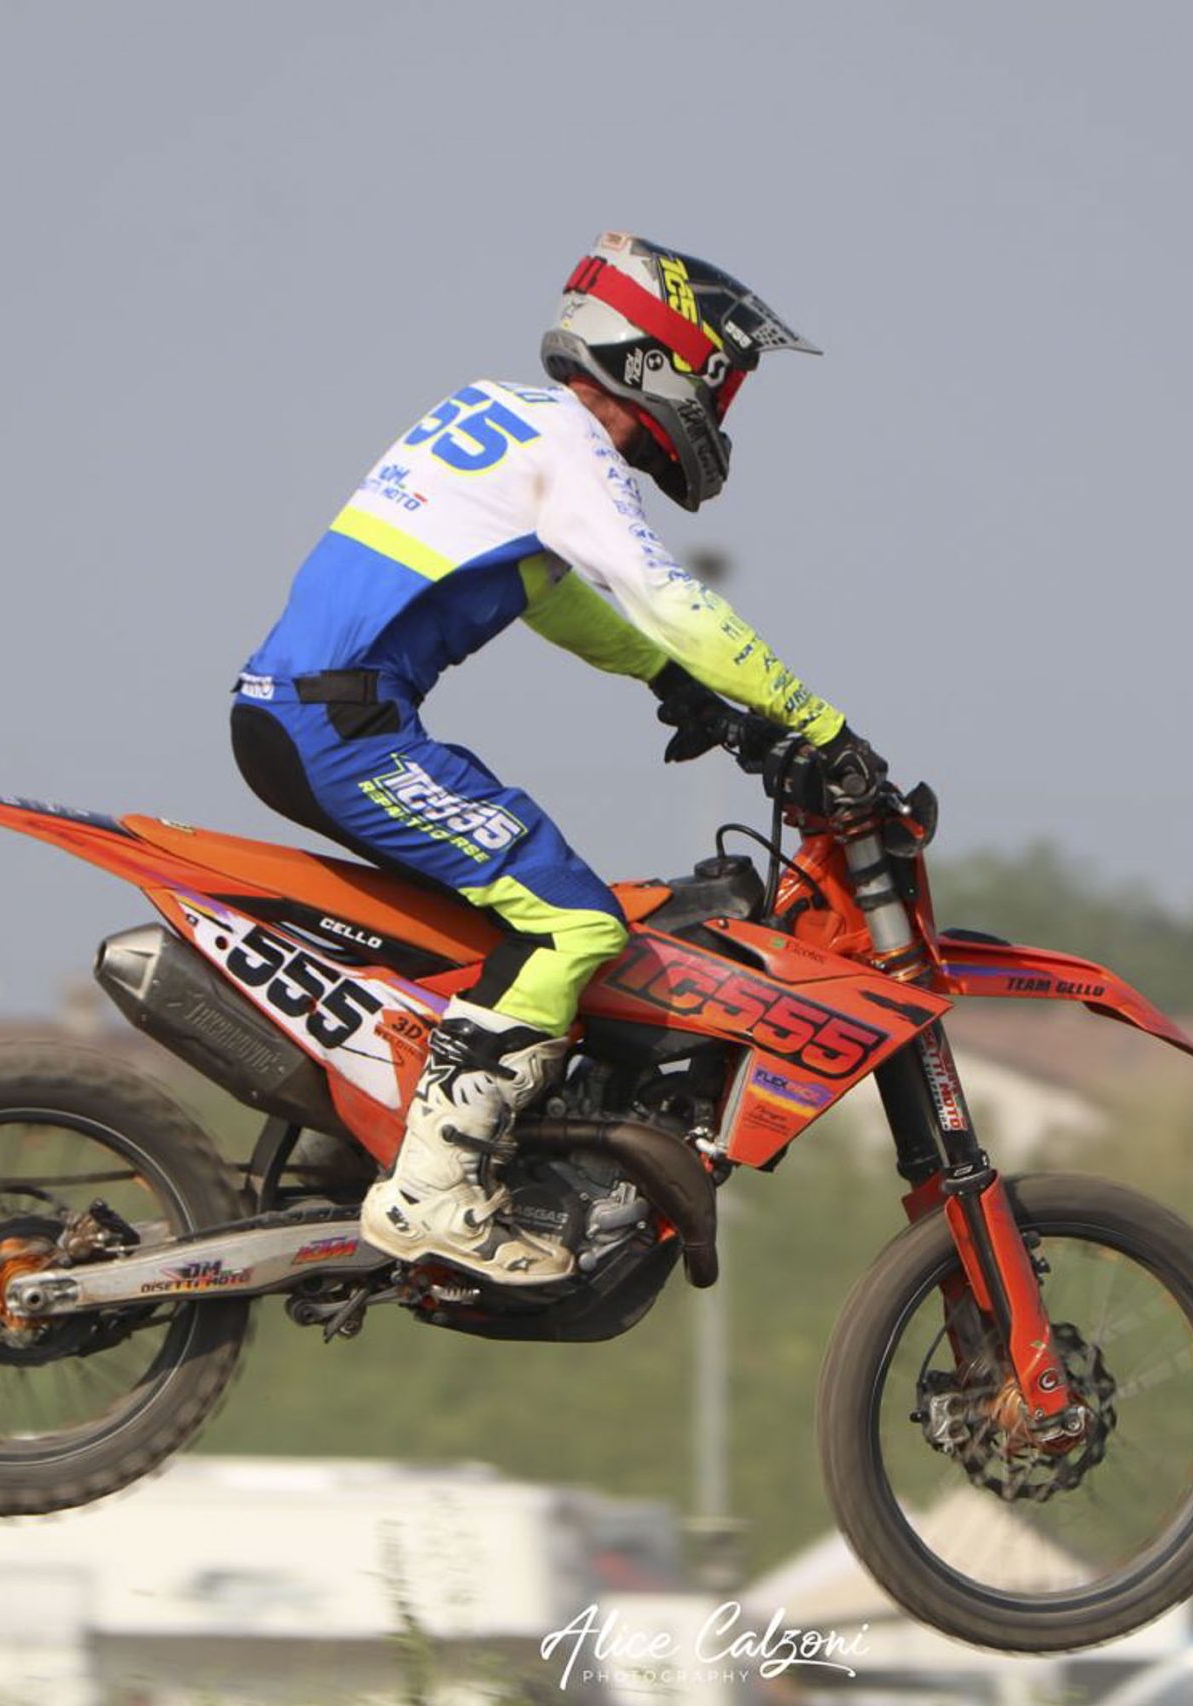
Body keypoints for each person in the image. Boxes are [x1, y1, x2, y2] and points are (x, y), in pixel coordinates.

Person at [231, 232, 886, 1285]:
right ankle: (433, 1193)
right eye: (720, 380)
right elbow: (667, 598)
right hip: (342, 729)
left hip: (298, 712)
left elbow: (543, 590)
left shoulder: (498, 414)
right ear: (660, 357)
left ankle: (399, 1133)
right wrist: (821, 727)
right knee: (575, 921)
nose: (719, 408)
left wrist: (674, 687)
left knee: (494, 918)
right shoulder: (569, 444)